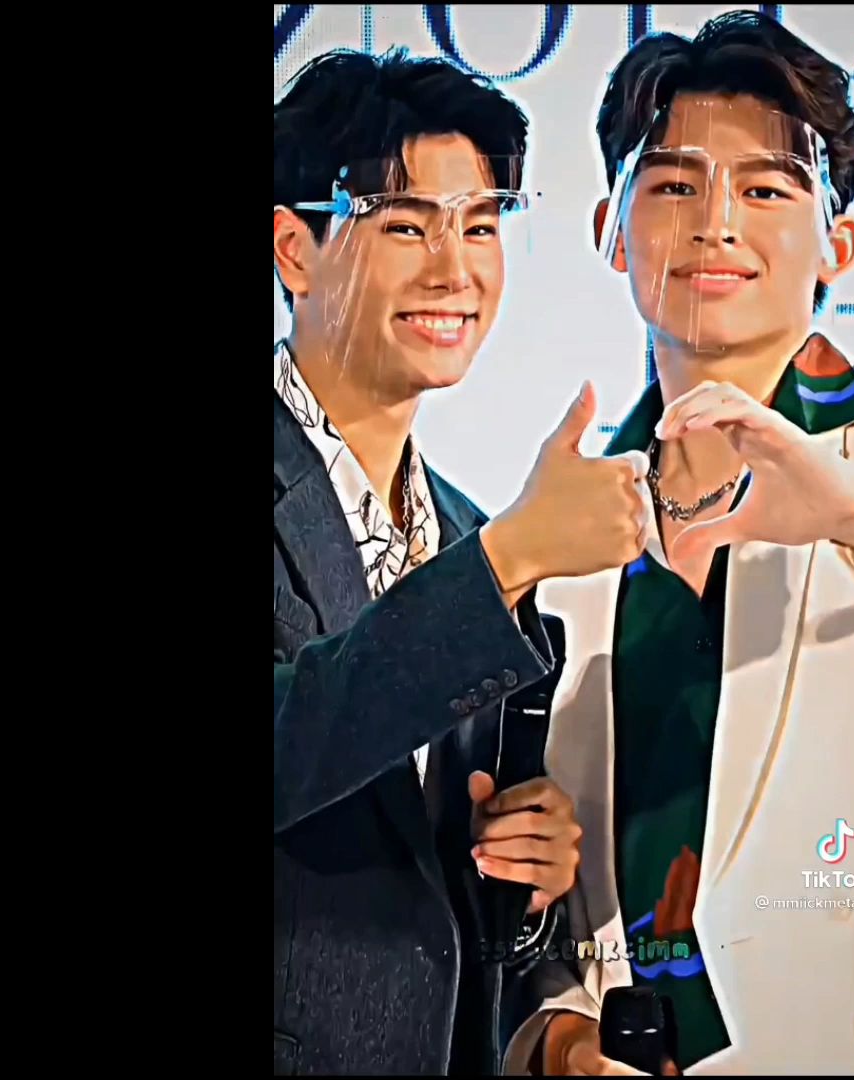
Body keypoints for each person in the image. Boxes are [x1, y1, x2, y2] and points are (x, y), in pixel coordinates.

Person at [505, 13, 854, 1075]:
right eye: (674, 185)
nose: (717, 224)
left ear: (840, 246)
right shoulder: (560, 529)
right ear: (610, 231)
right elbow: (548, 889)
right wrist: (554, 1031)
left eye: (767, 191)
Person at [272, 48, 656, 1074]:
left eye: (481, 225)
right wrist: (510, 557)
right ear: (295, 250)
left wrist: (523, 885)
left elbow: (439, 913)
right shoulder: (491, 552)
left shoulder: (461, 527)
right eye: (405, 225)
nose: (455, 270)